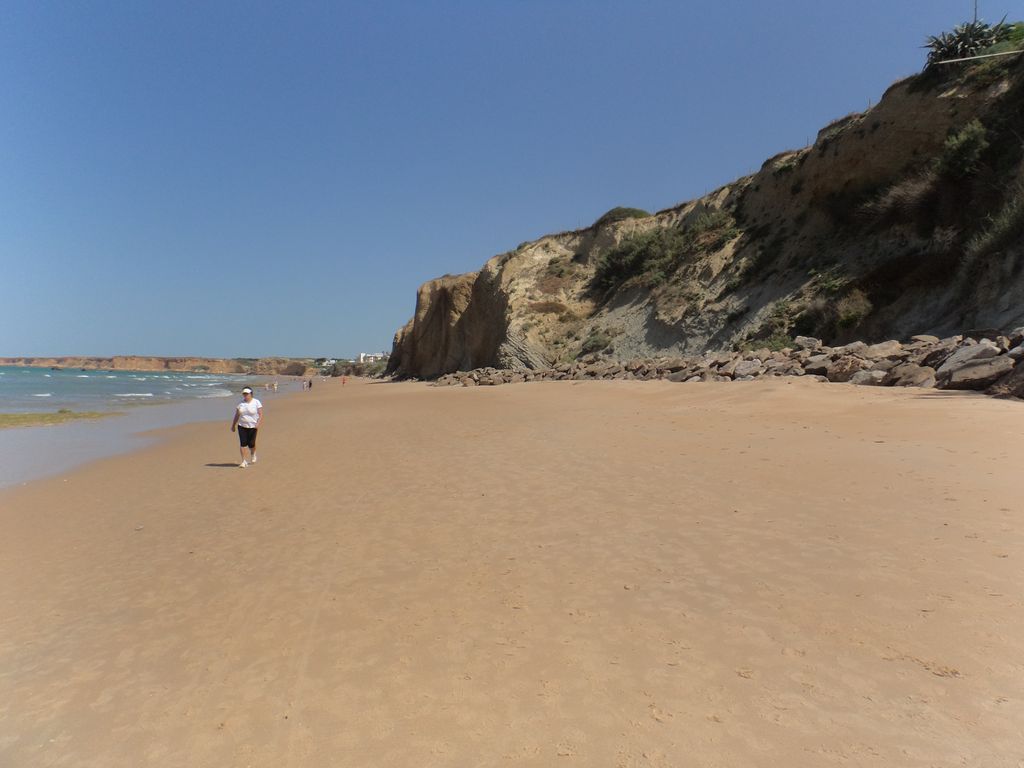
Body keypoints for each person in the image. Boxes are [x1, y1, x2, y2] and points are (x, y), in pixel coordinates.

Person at [230, 387, 262, 468]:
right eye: (244, 394)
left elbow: (261, 414)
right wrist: (233, 425)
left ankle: (253, 454)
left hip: (253, 426)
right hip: (242, 426)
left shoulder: (256, 402)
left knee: (251, 444)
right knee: (243, 444)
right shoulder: (240, 404)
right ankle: (244, 461)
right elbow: (237, 415)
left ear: (251, 394)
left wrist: (258, 423)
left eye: (247, 394)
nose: (245, 395)